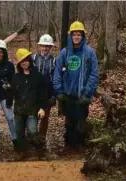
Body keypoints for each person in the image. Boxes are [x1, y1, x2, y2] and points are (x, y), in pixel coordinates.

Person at [53, 21, 99, 154]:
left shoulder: (89, 52)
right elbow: (57, 73)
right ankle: (68, 145)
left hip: (82, 94)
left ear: (83, 36)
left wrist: (87, 93)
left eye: (79, 34)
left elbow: (94, 74)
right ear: (70, 36)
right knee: (69, 121)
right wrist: (59, 91)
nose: (77, 37)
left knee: (80, 120)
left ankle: (79, 144)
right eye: (74, 34)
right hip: (67, 93)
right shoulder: (65, 52)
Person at [7, 48, 47, 155]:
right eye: (22, 61)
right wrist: (8, 104)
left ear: (29, 60)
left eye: (26, 60)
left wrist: (42, 107)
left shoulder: (37, 76)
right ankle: (22, 152)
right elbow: (11, 92)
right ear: (19, 64)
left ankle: (38, 148)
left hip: (32, 110)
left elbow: (42, 93)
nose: (24, 63)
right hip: (19, 111)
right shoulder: (15, 77)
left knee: (32, 131)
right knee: (19, 133)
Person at [32, 34, 56, 147]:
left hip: (48, 91)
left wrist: (54, 95)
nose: (45, 48)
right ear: (39, 46)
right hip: (35, 91)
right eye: (43, 46)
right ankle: (32, 134)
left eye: (47, 46)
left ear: (51, 47)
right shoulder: (33, 58)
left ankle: (42, 137)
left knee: (45, 115)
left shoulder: (54, 60)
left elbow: (56, 78)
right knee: (33, 113)